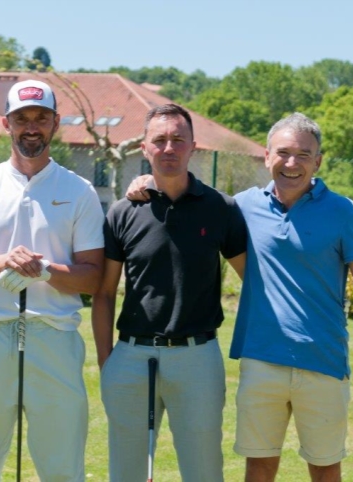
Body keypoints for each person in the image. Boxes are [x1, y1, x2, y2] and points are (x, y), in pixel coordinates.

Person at [127, 112, 353, 482]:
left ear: (318, 161)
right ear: (266, 157)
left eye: (303, 155)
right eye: (283, 153)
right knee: (259, 467)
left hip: (323, 358)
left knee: (325, 468)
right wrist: (149, 179)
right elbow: (187, 193)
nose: (291, 163)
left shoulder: (343, 211)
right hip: (261, 358)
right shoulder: (240, 207)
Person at [0, 79, 104, 481]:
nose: (31, 126)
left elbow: (93, 278)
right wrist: (3, 262)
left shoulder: (79, 190)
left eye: (41, 118)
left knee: (63, 463)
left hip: (54, 335)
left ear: (55, 123)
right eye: (22, 118)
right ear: (6, 123)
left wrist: (44, 271)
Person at [93, 103, 248, 482]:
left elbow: (254, 284)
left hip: (198, 358)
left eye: (178, 139)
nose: (169, 148)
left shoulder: (221, 208)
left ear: (193, 146)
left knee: (204, 471)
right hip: (130, 356)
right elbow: (104, 294)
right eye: (159, 140)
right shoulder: (122, 212)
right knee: (127, 473)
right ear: (144, 148)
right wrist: (107, 361)